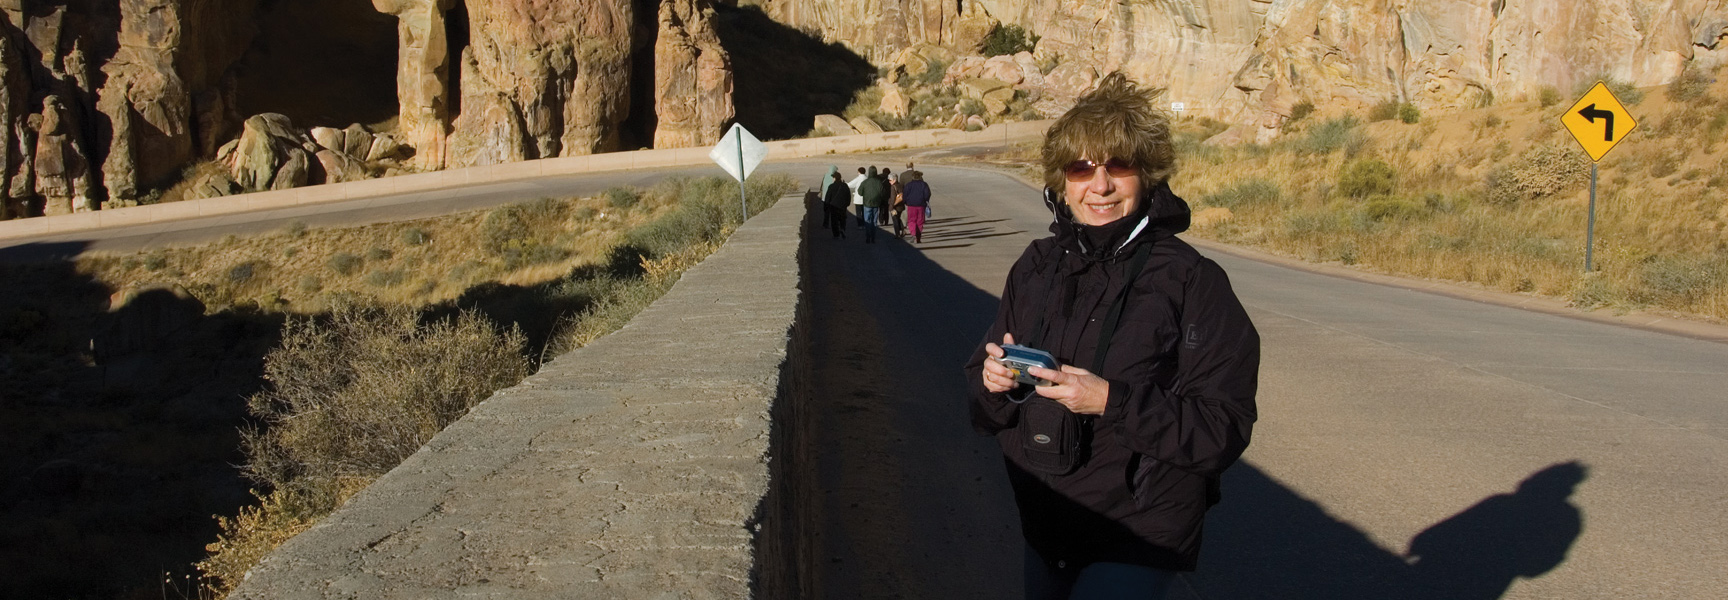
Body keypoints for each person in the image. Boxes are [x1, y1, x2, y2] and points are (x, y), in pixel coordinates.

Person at [964, 72, 1260, 599]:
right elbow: (980, 403)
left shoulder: (1192, 280)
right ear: (1061, 181)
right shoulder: (1036, 265)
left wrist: (1110, 401)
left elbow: (1223, 426)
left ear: (1147, 175)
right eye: (1081, 168)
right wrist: (992, 383)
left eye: (1117, 166)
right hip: (1045, 523)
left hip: (1139, 530)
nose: (1099, 186)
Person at [858, 165, 887, 243]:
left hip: (867, 203)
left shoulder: (865, 182)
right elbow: (883, 193)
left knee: (867, 220)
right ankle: (873, 237)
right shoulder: (879, 182)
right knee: (874, 221)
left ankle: (868, 236)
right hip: (876, 204)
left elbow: (860, 192)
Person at [901, 170, 931, 243]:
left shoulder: (909, 185)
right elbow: (927, 194)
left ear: (913, 177)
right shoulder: (924, 184)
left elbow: (905, 195)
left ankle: (913, 233)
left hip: (911, 205)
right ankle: (918, 236)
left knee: (911, 220)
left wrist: (905, 202)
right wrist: (925, 200)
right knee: (920, 221)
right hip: (921, 205)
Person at [823, 166, 851, 239]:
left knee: (834, 221)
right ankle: (842, 229)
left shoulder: (831, 186)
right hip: (842, 206)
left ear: (834, 178)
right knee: (842, 219)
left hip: (833, 206)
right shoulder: (844, 185)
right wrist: (847, 203)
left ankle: (836, 234)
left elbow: (828, 197)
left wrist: (826, 206)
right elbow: (848, 195)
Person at [818, 165, 840, 230]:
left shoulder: (826, 175)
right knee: (834, 212)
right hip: (833, 198)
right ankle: (835, 223)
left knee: (826, 212)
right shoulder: (835, 177)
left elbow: (822, 185)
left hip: (825, 197)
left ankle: (825, 224)